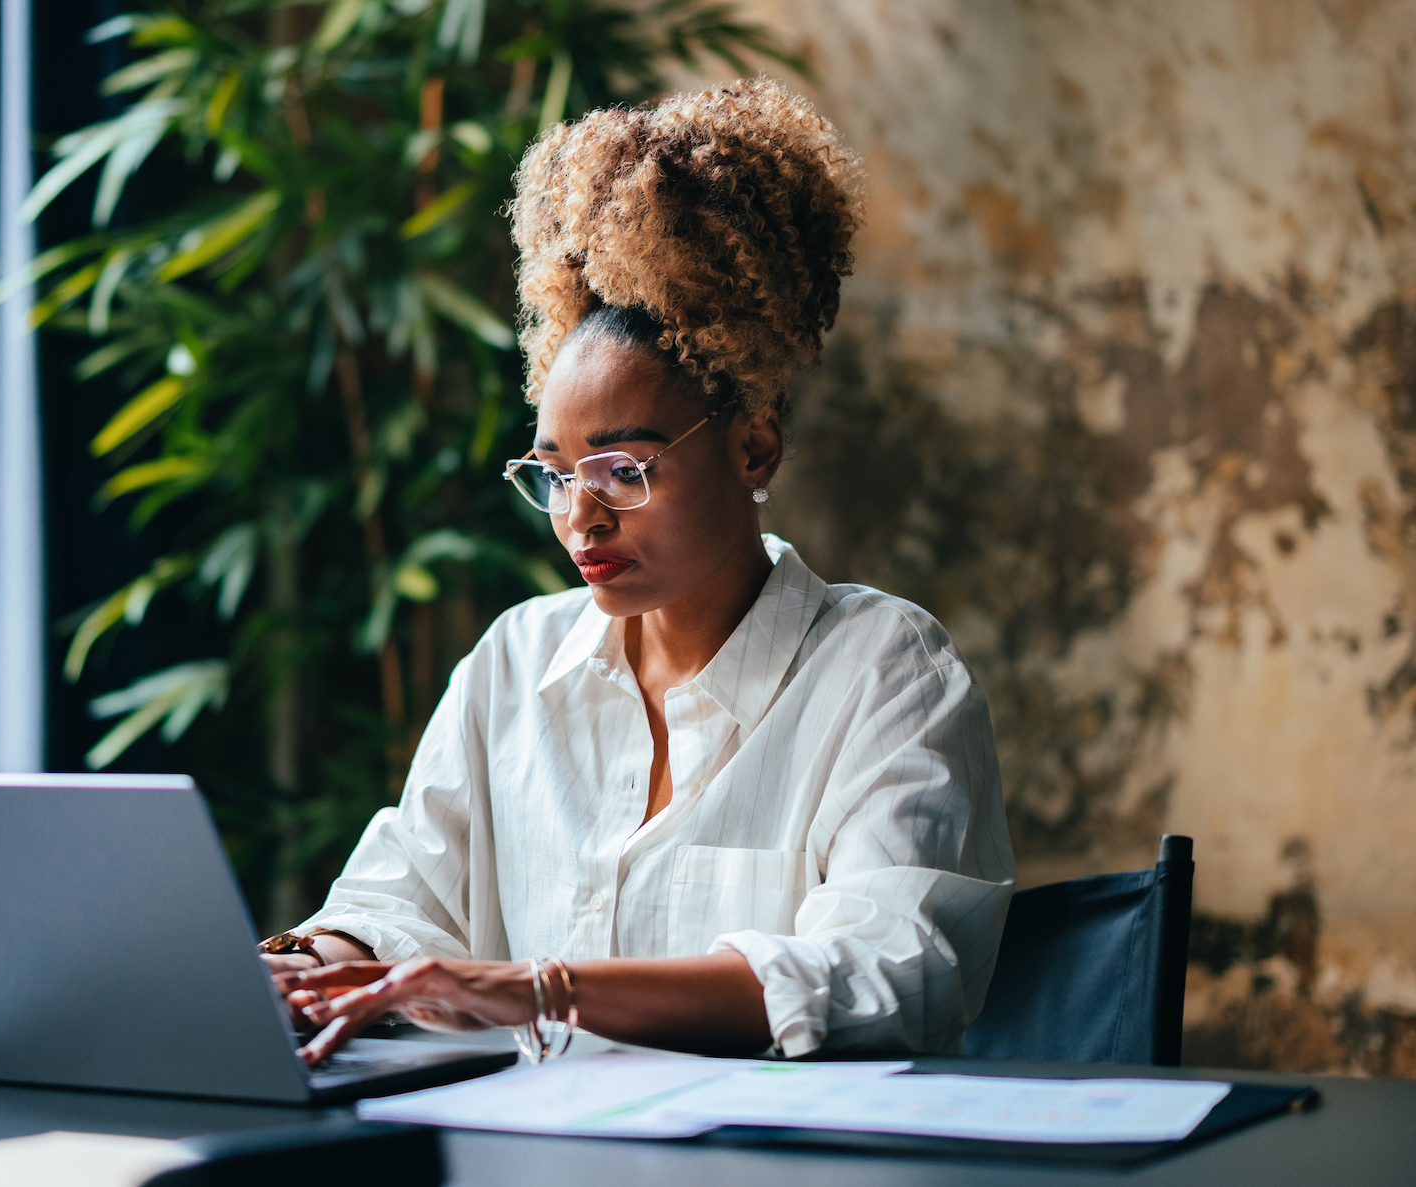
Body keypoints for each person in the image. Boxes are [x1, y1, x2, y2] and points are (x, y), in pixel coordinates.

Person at [264, 77, 1015, 1066]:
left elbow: (886, 965)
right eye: (553, 473)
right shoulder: (513, 664)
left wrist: (542, 986)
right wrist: (306, 960)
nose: (578, 514)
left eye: (622, 469)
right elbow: (399, 897)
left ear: (752, 448)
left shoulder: (883, 672)